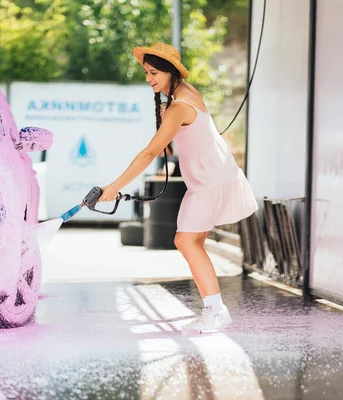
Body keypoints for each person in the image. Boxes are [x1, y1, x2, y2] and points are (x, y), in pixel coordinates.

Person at [98, 43, 258, 332]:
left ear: (170, 72)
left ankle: (216, 310)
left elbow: (149, 153)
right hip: (212, 176)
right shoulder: (184, 91)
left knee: (186, 241)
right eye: (146, 72)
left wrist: (114, 186)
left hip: (210, 180)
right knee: (190, 242)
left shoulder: (179, 106)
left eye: (154, 73)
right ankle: (213, 308)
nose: (149, 79)